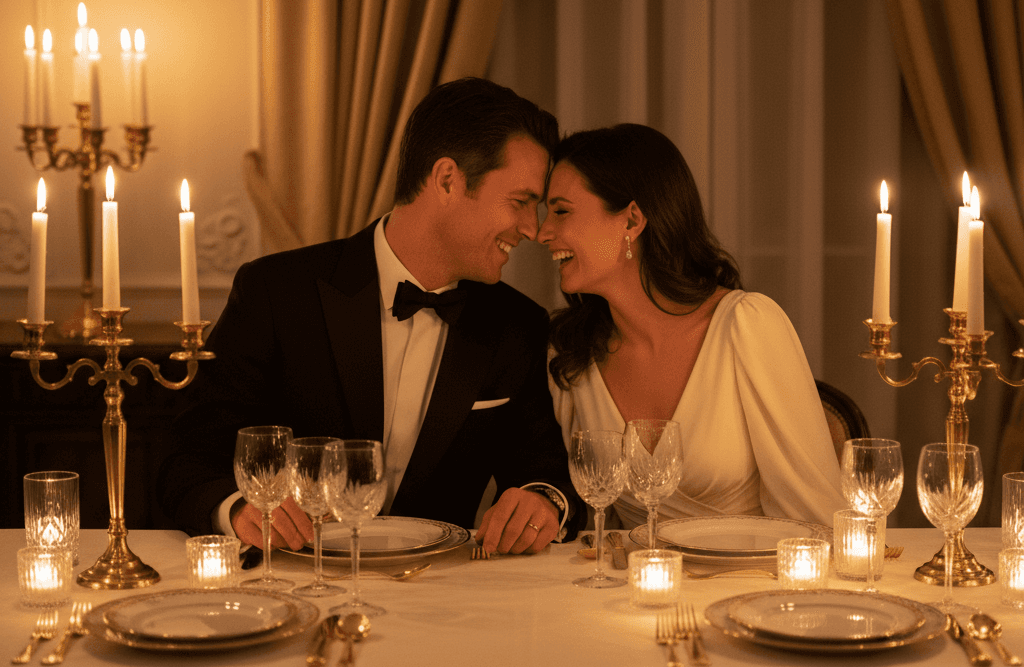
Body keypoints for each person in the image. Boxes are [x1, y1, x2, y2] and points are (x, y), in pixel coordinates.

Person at [158, 77, 581, 554]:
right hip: (298, 585)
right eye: (521, 202)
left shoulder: (515, 323)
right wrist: (237, 509)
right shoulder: (277, 293)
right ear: (447, 179)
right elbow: (185, 459)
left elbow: (545, 474)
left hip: (442, 601)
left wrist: (544, 501)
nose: (531, 229)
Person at [538, 123, 845, 528]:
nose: (542, 233)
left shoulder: (747, 326)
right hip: (629, 588)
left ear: (631, 220)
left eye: (561, 211)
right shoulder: (572, 355)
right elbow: (596, 528)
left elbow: (817, 517)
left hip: (751, 583)